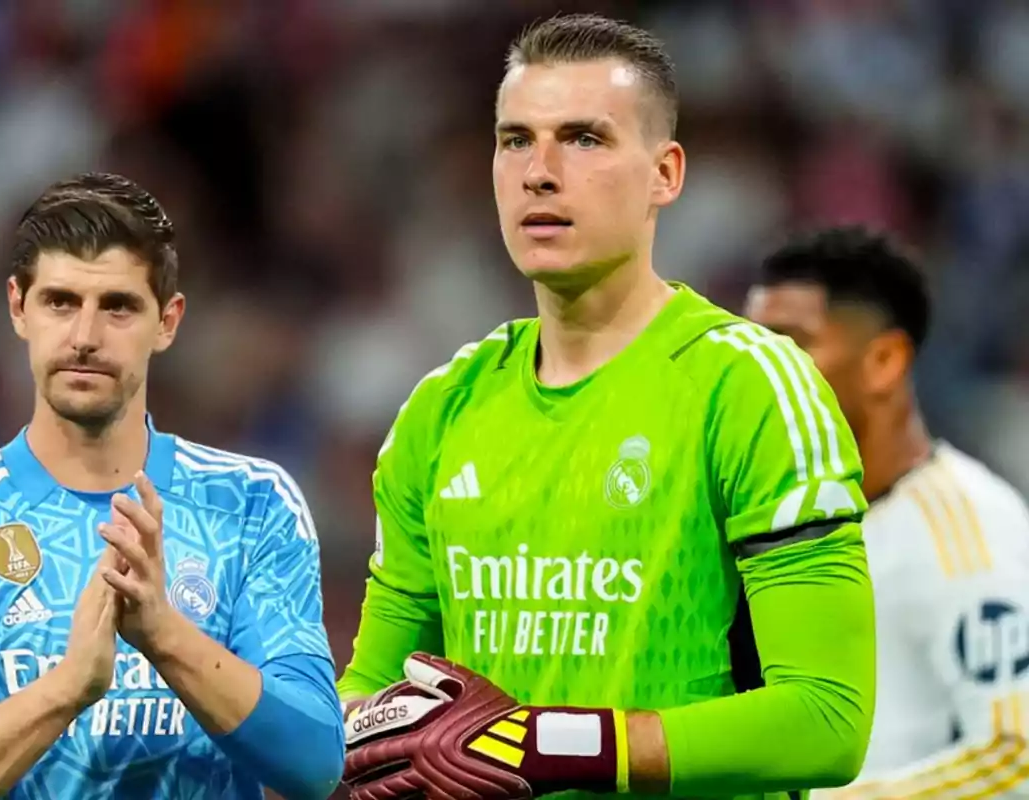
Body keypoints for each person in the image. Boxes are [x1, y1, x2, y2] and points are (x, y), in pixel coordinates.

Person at [336, 13, 875, 800]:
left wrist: (545, 744)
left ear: (666, 174)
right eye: (515, 139)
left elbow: (829, 720)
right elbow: (373, 688)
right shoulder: (441, 409)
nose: (539, 172)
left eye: (584, 139)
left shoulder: (748, 387)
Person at [0, 173, 344, 799]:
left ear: (167, 320)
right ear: (17, 307)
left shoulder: (250, 505)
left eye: (118, 306)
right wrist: (64, 688)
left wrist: (164, 634)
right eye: (59, 301)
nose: (84, 336)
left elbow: (318, 761)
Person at [745, 226, 1029, 799]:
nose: (758, 373)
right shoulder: (774, 522)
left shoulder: (964, 531)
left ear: (883, 360)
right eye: (749, 348)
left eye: (788, 344)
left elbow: (1016, 755)